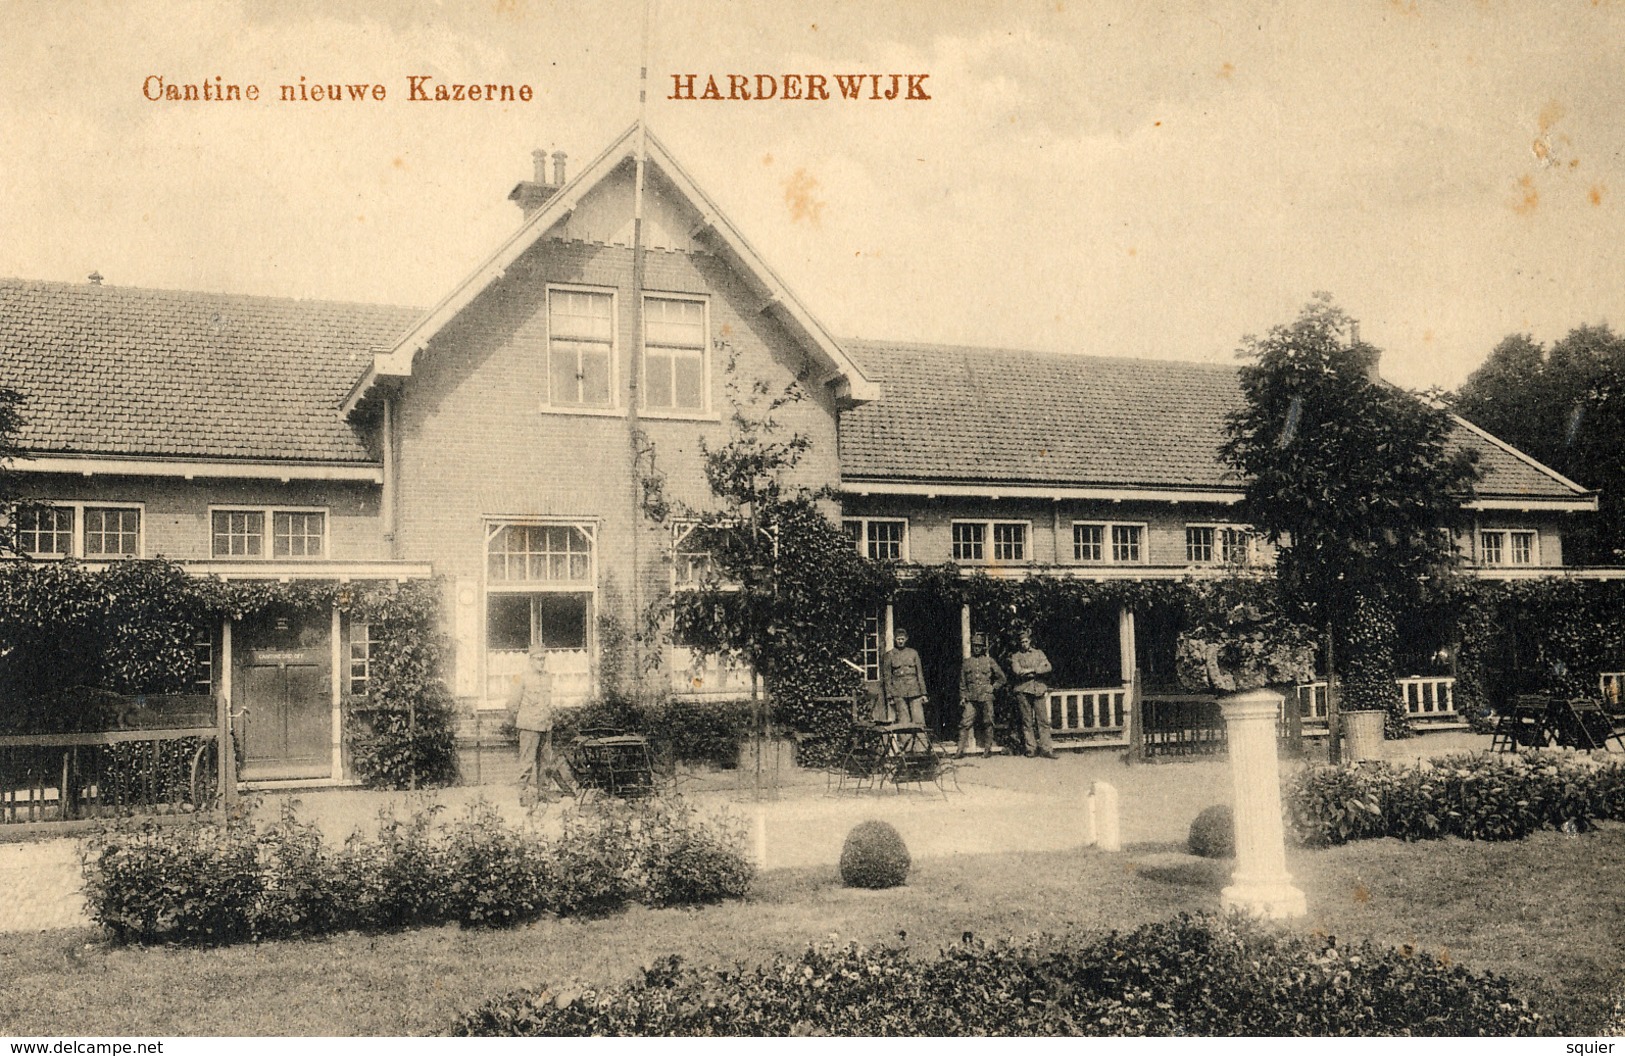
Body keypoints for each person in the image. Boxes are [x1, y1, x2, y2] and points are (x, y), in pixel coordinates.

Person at [507, 647, 577, 805]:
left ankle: (543, 793)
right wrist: (523, 720)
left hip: (545, 726)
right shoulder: (520, 677)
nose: (541, 662)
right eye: (538, 659)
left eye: (543, 659)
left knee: (545, 762)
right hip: (529, 727)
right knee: (527, 762)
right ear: (530, 660)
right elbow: (512, 704)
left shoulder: (547, 677)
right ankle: (523, 796)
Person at [957, 632, 1007, 758]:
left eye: (979, 646)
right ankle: (959, 751)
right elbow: (962, 683)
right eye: (975, 646)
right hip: (971, 697)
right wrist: (963, 696)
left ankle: (987, 749)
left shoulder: (989, 661)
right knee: (965, 723)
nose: (977, 648)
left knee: (988, 722)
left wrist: (992, 687)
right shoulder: (967, 662)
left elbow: (1002, 678)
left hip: (986, 696)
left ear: (983, 647)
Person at [1009, 629, 1057, 759]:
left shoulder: (1039, 653)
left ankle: (1047, 749)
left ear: (1030, 641)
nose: (1024, 644)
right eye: (1022, 642)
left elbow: (1048, 667)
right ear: (1019, 643)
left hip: (1038, 689)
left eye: (1026, 641)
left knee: (1043, 720)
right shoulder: (1016, 656)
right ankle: (1031, 749)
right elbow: (1017, 671)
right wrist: (1037, 671)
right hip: (1023, 689)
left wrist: (1032, 670)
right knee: (1027, 721)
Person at [881, 628, 929, 737]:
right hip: (898, 692)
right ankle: (906, 749)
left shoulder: (913, 653)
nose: (900, 641)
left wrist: (923, 693)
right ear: (894, 639)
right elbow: (887, 677)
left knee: (919, 720)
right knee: (903, 721)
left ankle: (921, 748)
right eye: (898, 639)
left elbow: (920, 674)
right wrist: (890, 695)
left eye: (902, 639)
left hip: (914, 690)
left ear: (906, 639)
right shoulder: (890, 655)